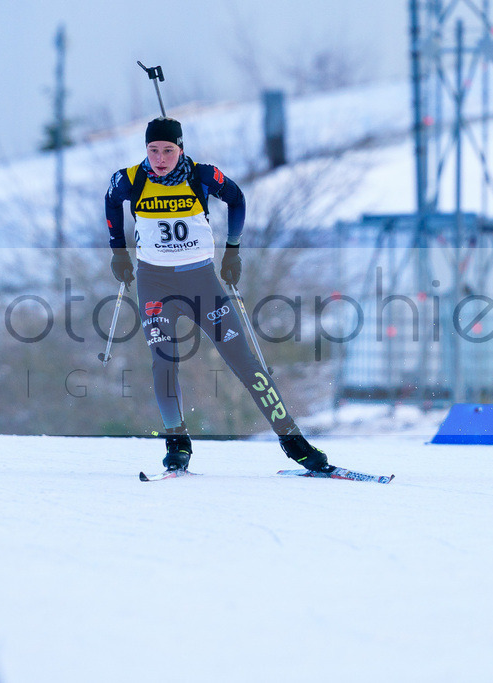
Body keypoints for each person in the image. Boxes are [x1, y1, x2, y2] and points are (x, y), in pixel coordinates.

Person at [104, 116, 331, 474]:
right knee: (164, 361)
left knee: (243, 360)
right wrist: (118, 251)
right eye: (153, 150)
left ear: (181, 149)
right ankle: (177, 443)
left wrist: (233, 251)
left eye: (168, 150)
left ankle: (293, 441)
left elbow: (237, 200)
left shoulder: (201, 175)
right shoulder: (130, 179)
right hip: (154, 283)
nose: (160, 159)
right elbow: (111, 200)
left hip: (201, 282)